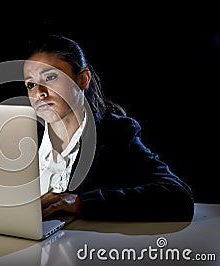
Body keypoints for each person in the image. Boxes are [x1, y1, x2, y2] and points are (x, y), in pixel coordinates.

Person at [22, 34, 195, 222]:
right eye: (30, 84)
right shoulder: (23, 137)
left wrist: (81, 203)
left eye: (50, 77)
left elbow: (179, 196)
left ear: (83, 80)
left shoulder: (115, 134)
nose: (39, 93)